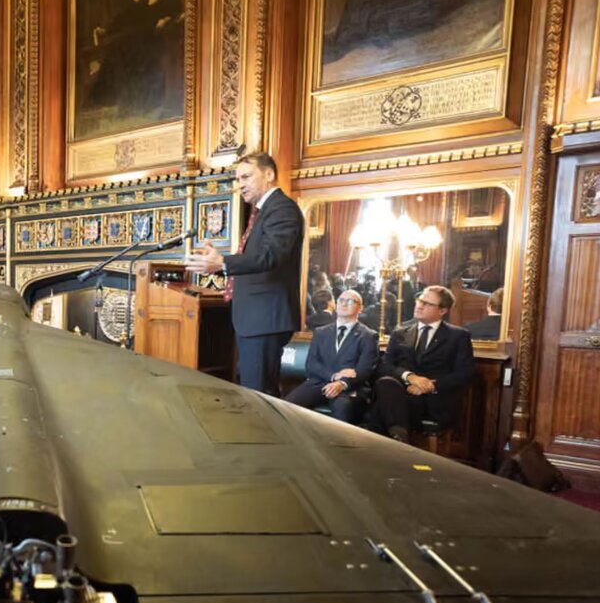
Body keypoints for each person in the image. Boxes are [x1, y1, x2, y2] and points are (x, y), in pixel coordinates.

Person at [186, 152, 304, 395]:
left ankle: (264, 435)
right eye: (237, 179)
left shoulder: (282, 209)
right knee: (254, 392)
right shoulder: (263, 212)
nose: (240, 185)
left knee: (259, 396)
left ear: (269, 175)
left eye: (246, 177)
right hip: (254, 319)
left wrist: (223, 263)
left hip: (265, 320)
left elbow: (270, 255)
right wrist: (220, 263)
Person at [374, 286, 476, 443]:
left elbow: (464, 373)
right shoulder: (400, 333)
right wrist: (410, 377)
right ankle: (400, 438)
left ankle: (395, 441)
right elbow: (385, 365)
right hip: (402, 391)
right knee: (385, 383)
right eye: (419, 300)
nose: (419, 305)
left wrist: (428, 385)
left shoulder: (458, 336)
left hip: (433, 399)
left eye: (427, 303)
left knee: (378, 411)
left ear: (442, 311)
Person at [284, 291, 377, 425]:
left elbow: (365, 369)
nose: (344, 303)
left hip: (349, 388)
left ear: (360, 308)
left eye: (350, 301)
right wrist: (333, 376)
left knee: (342, 408)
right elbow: (311, 364)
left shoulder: (368, 336)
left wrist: (342, 383)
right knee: (287, 406)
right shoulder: (321, 332)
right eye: (341, 300)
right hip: (320, 382)